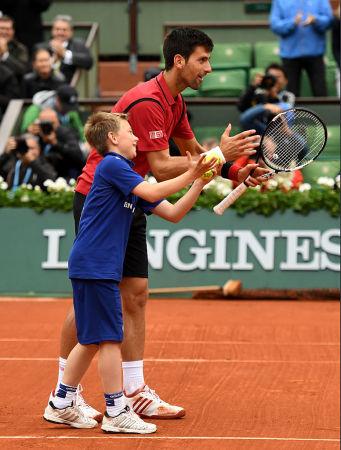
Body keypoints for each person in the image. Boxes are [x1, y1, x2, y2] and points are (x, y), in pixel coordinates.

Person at [47, 27, 268, 421]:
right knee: (94, 296)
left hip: (135, 196)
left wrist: (235, 170)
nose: (209, 68)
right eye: (202, 60)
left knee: (136, 292)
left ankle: (134, 391)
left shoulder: (175, 101)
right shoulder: (148, 101)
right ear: (179, 60)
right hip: (100, 198)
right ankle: (67, 392)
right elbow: (163, 165)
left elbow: (195, 155)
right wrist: (217, 156)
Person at [43, 111, 221, 432]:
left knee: (92, 339)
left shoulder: (126, 176)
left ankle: (61, 401)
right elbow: (154, 193)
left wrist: (198, 183)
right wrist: (192, 168)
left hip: (97, 266)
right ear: (113, 139)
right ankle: (116, 411)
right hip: (95, 265)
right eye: (130, 132)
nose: (137, 138)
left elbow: (173, 212)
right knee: (111, 338)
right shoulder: (112, 165)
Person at [270, 0, 333, 97]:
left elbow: (329, 21)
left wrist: (316, 20)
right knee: (291, 95)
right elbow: (275, 25)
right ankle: (293, 113)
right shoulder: (279, 1)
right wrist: (292, 22)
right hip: (290, 55)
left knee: (320, 92)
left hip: (315, 54)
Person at [238, 65, 293, 135]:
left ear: (285, 80)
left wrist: (274, 95)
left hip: (281, 132)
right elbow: (242, 109)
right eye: (271, 77)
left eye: (277, 77)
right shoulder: (258, 93)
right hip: (258, 132)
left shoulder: (287, 96)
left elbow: (287, 114)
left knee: (301, 141)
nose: (273, 80)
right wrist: (253, 87)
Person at [32, 108, 85, 180]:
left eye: (49, 124)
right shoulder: (39, 135)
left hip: (65, 177)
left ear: (56, 122)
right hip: (44, 176)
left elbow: (78, 157)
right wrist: (32, 136)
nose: (46, 127)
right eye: (43, 124)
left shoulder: (65, 133)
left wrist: (55, 143)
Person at [38, 15, 93, 83]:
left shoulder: (78, 45)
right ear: (52, 30)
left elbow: (88, 62)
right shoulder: (41, 47)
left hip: (68, 86)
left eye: (64, 30)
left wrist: (65, 54)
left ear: (71, 32)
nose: (60, 33)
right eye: (57, 29)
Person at [21, 84, 85, 143]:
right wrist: (29, 129)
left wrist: (86, 143)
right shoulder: (35, 109)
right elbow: (24, 131)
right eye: (65, 106)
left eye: (70, 106)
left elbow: (80, 131)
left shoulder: (71, 111)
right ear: (57, 100)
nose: (68, 110)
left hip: (64, 144)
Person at [0, 15, 29, 82]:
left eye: (7, 29)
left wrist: (5, 55)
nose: (4, 32)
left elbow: (22, 71)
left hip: (12, 87)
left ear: (13, 31)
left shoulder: (20, 49)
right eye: (2, 28)